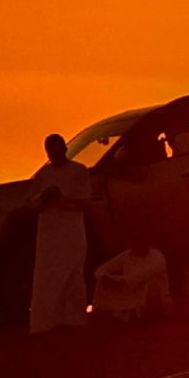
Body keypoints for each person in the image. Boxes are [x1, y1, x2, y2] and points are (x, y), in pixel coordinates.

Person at [28, 132, 92, 334]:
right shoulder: (42, 175)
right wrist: (45, 198)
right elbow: (33, 204)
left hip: (72, 229)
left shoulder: (80, 171)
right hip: (49, 233)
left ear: (64, 149)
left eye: (56, 149)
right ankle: (47, 321)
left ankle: (76, 319)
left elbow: (84, 202)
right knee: (48, 276)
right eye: (49, 150)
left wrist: (62, 199)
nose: (53, 154)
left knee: (73, 273)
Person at [91, 241, 171, 324]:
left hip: (147, 292)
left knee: (152, 285)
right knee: (102, 281)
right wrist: (105, 278)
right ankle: (108, 312)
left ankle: (146, 313)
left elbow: (144, 275)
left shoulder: (157, 256)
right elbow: (100, 270)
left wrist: (123, 281)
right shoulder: (126, 255)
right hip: (130, 292)